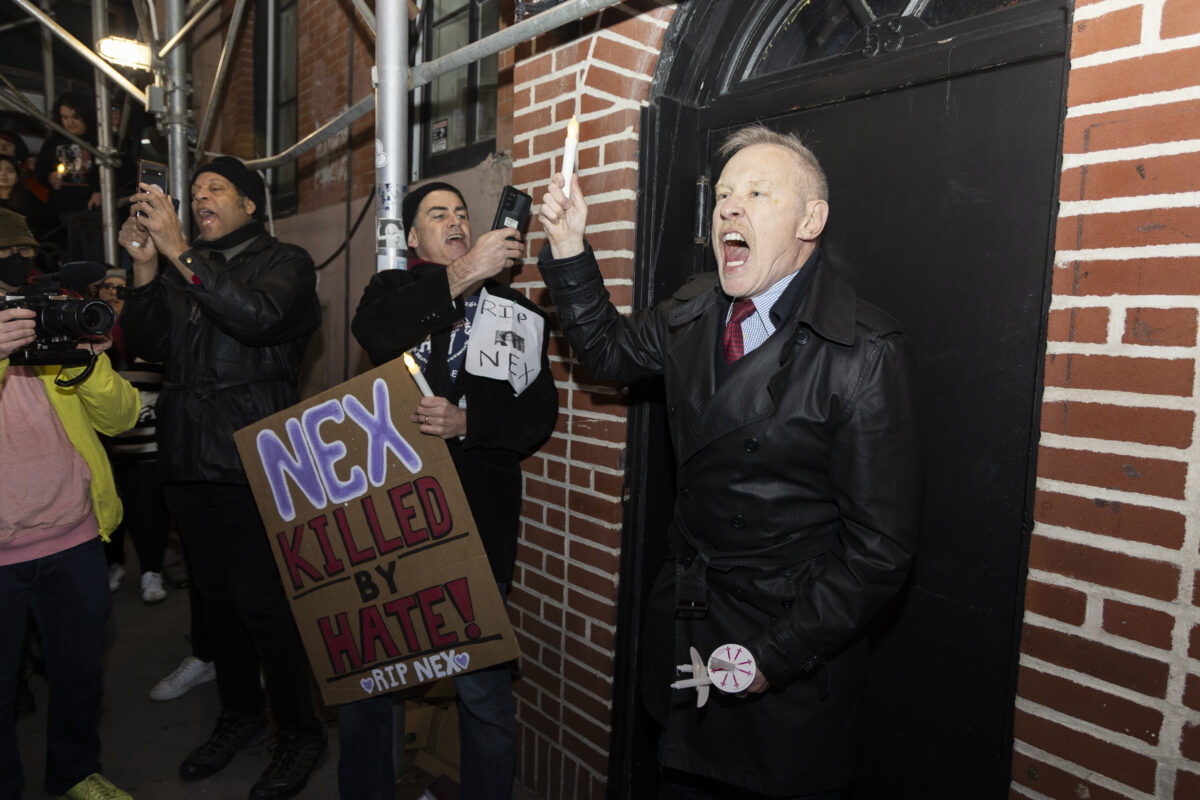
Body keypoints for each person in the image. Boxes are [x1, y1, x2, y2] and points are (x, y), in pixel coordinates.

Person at [536, 125, 923, 799]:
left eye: (757, 192)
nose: (729, 208)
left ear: (811, 220)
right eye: (722, 195)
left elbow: (879, 552)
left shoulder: (863, 351)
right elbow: (608, 353)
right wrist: (569, 244)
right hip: (688, 631)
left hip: (785, 659)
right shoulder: (692, 310)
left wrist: (773, 658)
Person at [118, 156, 325, 800]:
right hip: (186, 456)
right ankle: (238, 716)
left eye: (215, 190)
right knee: (215, 601)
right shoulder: (183, 267)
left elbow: (256, 319)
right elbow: (147, 343)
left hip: (251, 456)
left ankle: (298, 730)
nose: (199, 197)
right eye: (195, 190)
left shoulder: (287, 262)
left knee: (263, 603)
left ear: (250, 206)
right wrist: (148, 265)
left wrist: (180, 251)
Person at [348, 181, 558, 800]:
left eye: (463, 213)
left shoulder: (516, 315)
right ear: (414, 238)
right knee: (374, 688)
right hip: (394, 524)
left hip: (479, 525)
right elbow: (378, 333)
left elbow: (536, 416)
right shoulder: (391, 293)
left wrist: (471, 424)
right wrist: (467, 274)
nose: (456, 220)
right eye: (438, 214)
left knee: (484, 693)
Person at [0, 214, 140, 800]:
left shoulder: (51, 325)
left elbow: (123, 417)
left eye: (21, 258)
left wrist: (84, 365)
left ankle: (76, 774)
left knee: (80, 677)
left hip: (75, 535)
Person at [92, 269, 171, 604]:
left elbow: (164, 379)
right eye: (105, 287)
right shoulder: (90, 334)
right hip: (105, 444)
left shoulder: (151, 333)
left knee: (148, 510)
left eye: (120, 287)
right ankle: (114, 566)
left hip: (146, 441)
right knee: (108, 510)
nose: (113, 292)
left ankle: (152, 571)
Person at [35, 92, 102, 262]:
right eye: (64, 117)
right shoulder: (53, 142)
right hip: (60, 213)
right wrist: (49, 177)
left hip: (92, 212)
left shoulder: (102, 140)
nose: (70, 123)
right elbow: (40, 170)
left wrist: (101, 191)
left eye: (75, 117)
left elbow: (122, 172)